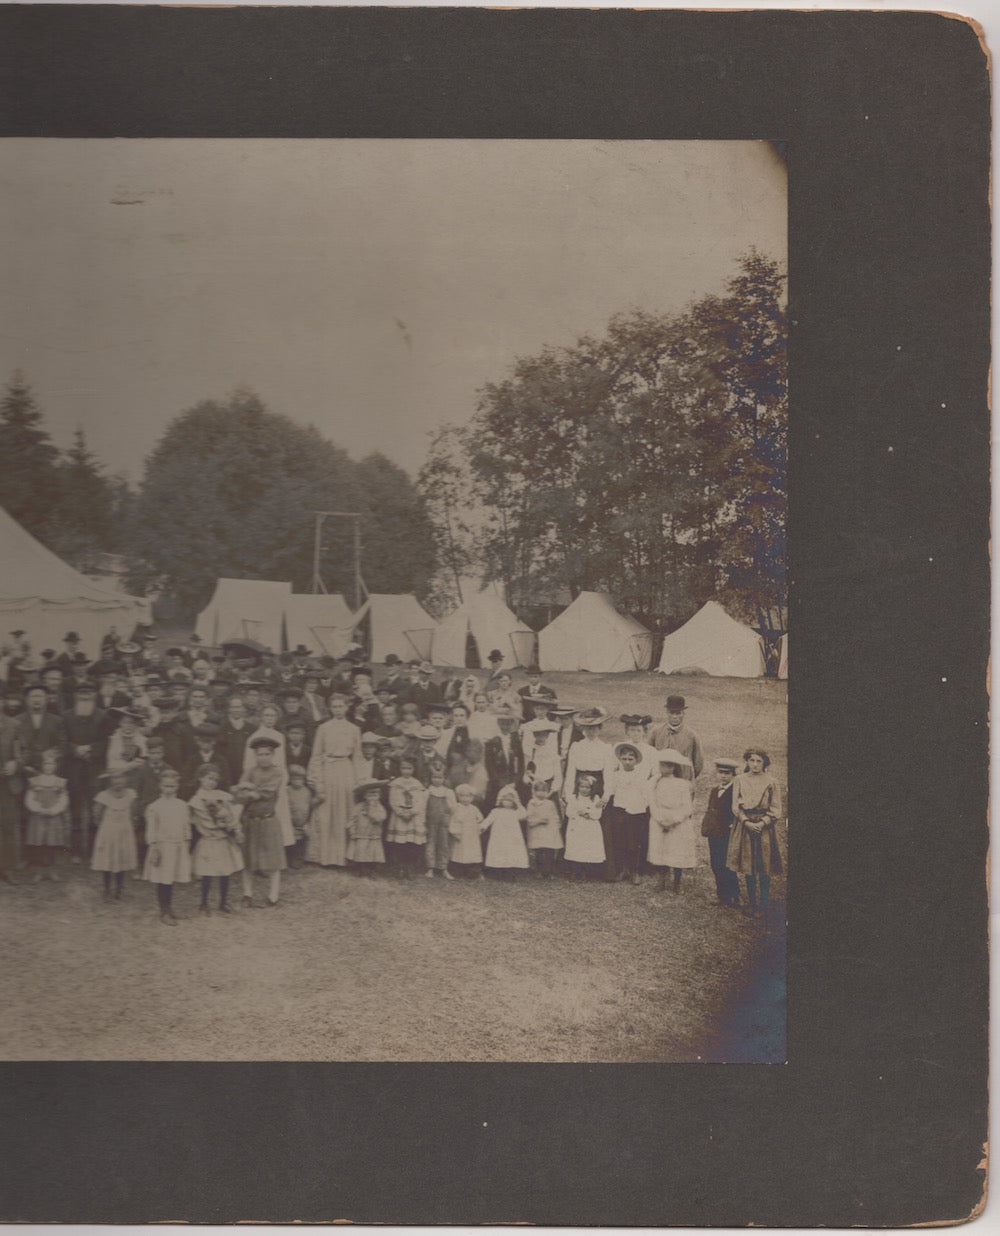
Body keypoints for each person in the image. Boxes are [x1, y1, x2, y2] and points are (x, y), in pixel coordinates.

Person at [727, 747, 783, 923]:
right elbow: (735, 806)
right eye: (752, 760)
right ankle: (752, 903)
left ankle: (764, 905)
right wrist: (746, 822)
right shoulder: (739, 780)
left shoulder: (772, 782)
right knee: (748, 866)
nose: (755, 764)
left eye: (759, 761)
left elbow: (776, 809)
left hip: (764, 827)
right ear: (747, 762)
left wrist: (761, 823)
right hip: (745, 826)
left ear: (764, 763)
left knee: (764, 867)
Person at [306, 694, 362, 868]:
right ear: (330, 709)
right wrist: (316, 779)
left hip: (345, 770)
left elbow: (358, 757)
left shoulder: (354, 729)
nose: (338, 709)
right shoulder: (323, 728)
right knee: (326, 811)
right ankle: (325, 857)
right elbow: (316, 755)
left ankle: (342, 857)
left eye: (341, 706)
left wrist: (359, 780)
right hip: (327, 769)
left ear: (347, 708)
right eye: (335, 706)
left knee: (344, 810)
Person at [232, 736, 286, 908]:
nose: (263, 757)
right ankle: (247, 894)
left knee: (272, 859)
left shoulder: (278, 772)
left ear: (272, 755)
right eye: (259, 754)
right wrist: (246, 792)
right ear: (255, 755)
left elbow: (266, 793)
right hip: (250, 820)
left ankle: (273, 894)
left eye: (266, 754)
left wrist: (250, 790)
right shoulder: (250, 771)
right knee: (248, 858)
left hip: (268, 819)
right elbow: (240, 794)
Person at [189, 763, 243, 914]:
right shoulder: (197, 800)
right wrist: (223, 823)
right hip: (209, 839)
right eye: (209, 778)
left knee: (224, 872)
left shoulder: (222, 795)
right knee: (207, 873)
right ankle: (204, 903)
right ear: (201, 779)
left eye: (215, 779)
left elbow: (232, 814)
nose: (212, 782)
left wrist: (232, 825)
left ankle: (223, 902)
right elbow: (205, 820)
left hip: (222, 840)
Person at [63, 682, 106, 863]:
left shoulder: (103, 716)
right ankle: (76, 851)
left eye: (88, 692)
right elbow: (62, 739)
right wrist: (75, 749)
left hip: (95, 770)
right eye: (81, 693)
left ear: (95, 695)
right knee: (75, 812)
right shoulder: (66, 716)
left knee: (95, 810)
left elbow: (106, 741)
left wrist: (89, 749)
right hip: (74, 770)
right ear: (75, 695)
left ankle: (96, 850)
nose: (85, 696)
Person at [142, 768, 192, 924]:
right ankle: (163, 911)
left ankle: (169, 908)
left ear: (177, 786)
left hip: (177, 845)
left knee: (171, 879)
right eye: (165, 786)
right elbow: (151, 829)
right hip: (162, 847)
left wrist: (187, 841)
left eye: (172, 786)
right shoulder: (155, 806)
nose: (169, 789)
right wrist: (154, 846)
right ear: (160, 786)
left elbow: (186, 826)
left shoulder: (182, 805)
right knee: (163, 879)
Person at [647, 750, 696, 893]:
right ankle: (662, 879)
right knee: (661, 849)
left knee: (677, 851)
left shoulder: (682, 784)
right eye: (660, 765)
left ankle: (677, 881)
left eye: (665, 766)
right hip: (659, 819)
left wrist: (674, 820)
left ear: (672, 767)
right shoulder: (655, 782)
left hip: (677, 822)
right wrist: (660, 819)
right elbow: (651, 802)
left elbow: (687, 806)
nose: (661, 768)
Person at [604, 743, 651, 884]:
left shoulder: (641, 775)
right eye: (624, 759)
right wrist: (604, 799)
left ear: (636, 761)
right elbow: (610, 790)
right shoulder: (616, 775)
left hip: (636, 811)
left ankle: (635, 871)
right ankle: (622, 869)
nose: (627, 762)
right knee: (620, 840)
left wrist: (645, 806)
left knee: (634, 842)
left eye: (630, 759)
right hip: (620, 809)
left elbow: (646, 793)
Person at [91, 768, 138, 900]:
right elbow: (96, 814)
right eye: (115, 778)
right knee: (107, 860)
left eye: (121, 778)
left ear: (126, 779)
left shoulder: (131, 794)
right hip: (108, 832)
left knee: (122, 859)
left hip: (125, 831)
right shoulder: (104, 796)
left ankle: (119, 889)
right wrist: (105, 829)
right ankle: (106, 889)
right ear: (110, 780)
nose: (118, 781)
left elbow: (134, 813)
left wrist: (130, 825)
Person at [702, 758, 742, 907]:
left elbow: (736, 812)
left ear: (733, 775)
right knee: (715, 863)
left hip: (727, 833)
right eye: (720, 773)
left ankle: (734, 895)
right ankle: (722, 896)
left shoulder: (735, 792)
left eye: (727, 773)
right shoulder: (714, 790)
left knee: (727, 864)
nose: (723, 776)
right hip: (714, 833)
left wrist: (732, 826)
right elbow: (711, 811)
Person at [25, 749, 69, 881]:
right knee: (39, 845)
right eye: (46, 764)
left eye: (51, 764)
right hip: (38, 818)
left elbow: (64, 800)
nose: (48, 767)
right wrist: (38, 808)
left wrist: (54, 810)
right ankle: (39, 872)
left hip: (53, 817)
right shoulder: (35, 781)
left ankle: (51, 871)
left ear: (55, 766)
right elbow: (29, 799)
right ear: (42, 765)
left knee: (52, 844)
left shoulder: (60, 782)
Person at [386, 756, 428, 879]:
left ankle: (409, 866)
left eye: (409, 768)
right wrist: (400, 812)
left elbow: (420, 802)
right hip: (399, 817)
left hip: (413, 818)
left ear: (413, 769)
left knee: (411, 843)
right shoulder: (396, 784)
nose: (406, 771)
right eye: (403, 768)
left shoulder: (417, 784)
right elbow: (392, 800)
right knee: (400, 843)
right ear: (399, 769)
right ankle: (400, 866)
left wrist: (412, 812)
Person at [563, 707, 616, 800]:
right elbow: (570, 772)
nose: (591, 732)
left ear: (600, 728)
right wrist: (568, 793)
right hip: (579, 784)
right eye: (588, 728)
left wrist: (606, 794)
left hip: (597, 785)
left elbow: (608, 774)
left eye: (594, 728)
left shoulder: (606, 748)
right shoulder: (576, 746)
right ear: (583, 729)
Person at [650, 695, 704, 782]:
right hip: (660, 779)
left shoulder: (692, 735)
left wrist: (688, 778)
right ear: (667, 712)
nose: (674, 717)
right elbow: (649, 756)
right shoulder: (656, 732)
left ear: (683, 714)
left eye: (678, 713)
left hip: (683, 780)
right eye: (672, 713)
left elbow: (698, 763)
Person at [481, 783, 529, 879]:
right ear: (500, 800)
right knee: (499, 852)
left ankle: (510, 872)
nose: (507, 802)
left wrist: (518, 803)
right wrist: (483, 826)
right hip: (499, 837)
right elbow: (488, 819)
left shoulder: (515, 812)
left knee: (510, 853)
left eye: (510, 800)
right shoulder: (496, 811)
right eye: (505, 799)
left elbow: (524, 815)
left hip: (512, 838)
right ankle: (497, 872)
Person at [563, 772, 606, 880]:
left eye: (587, 787)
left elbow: (598, 813)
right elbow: (568, 812)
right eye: (582, 786)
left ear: (592, 788)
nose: (584, 789)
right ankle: (575, 871)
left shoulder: (595, 798)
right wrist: (578, 813)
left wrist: (589, 813)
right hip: (576, 826)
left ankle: (587, 872)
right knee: (576, 847)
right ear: (578, 787)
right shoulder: (573, 798)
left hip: (590, 828)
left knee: (588, 848)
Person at [484, 706, 526, 809]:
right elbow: (489, 765)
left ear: (512, 724)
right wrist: (499, 782)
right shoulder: (492, 742)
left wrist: (515, 782)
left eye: (508, 723)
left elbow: (521, 764)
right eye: (502, 723)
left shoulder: (516, 742)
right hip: (497, 782)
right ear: (498, 723)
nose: (505, 726)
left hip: (513, 781)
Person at [0, 693, 22, 884]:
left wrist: (15, 763)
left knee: (8, 827)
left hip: (6, 785)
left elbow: (21, 752)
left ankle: (7, 868)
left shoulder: (13, 725)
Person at [346, 779, 387, 877]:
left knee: (373, 853)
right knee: (361, 852)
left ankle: (371, 870)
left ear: (379, 796)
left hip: (374, 835)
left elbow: (381, 818)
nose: (373, 798)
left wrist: (371, 812)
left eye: (375, 795)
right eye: (370, 795)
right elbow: (352, 819)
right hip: (361, 834)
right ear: (365, 796)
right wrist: (352, 830)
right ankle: (361, 869)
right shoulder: (359, 807)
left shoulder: (379, 807)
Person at [424, 760, 457, 879]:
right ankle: (430, 868)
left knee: (444, 844)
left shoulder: (448, 792)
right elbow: (423, 807)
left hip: (444, 822)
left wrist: (449, 819)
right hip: (431, 822)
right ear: (431, 778)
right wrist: (423, 822)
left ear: (444, 778)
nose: (437, 780)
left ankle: (443, 868)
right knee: (431, 843)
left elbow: (453, 808)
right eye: (434, 777)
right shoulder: (428, 791)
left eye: (440, 777)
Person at [524, 778, 563, 878]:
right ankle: (539, 870)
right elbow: (529, 816)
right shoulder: (531, 803)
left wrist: (557, 824)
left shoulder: (550, 803)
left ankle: (549, 871)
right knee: (539, 851)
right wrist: (539, 820)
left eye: (544, 791)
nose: (541, 793)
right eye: (539, 791)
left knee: (549, 850)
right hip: (537, 830)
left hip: (549, 830)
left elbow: (555, 815)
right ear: (535, 791)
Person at [286, 764, 321, 868]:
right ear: (290, 779)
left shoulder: (306, 791)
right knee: (291, 841)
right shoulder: (287, 790)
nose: (297, 781)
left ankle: (298, 860)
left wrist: (307, 822)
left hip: (303, 820)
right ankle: (288, 859)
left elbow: (310, 806)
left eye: (300, 779)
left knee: (301, 842)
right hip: (291, 821)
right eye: (294, 778)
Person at [448, 783, 485, 878]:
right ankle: (458, 870)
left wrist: (479, 823)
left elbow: (480, 818)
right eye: (462, 796)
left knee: (472, 852)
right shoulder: (456, 807)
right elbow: (453, 821)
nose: (465, 799)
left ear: (472, 797)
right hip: (461, 834)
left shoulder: (474, 808)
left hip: (472, 834)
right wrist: (455, 832)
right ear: (458, 796)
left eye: (468, 796)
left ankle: (472, 872)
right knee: (459, 852)